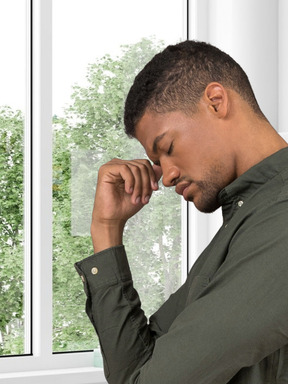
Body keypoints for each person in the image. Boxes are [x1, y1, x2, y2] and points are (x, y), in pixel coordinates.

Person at [75, 41, 288, 384]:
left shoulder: (280, 219)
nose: (168, 175)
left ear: (216, 101)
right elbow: (132, 372)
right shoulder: (244, 225)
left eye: (169, 148)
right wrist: (106, 228)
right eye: (158, 163)